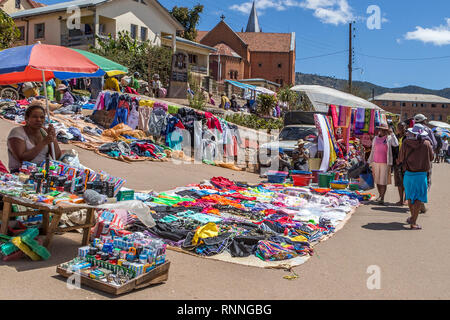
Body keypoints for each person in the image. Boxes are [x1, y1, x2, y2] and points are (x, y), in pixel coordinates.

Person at [398, 124, 434, 230]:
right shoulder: (427, 144)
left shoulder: (405, 143)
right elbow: (431, 158)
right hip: (421, 175)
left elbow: (400, 158)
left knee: (410, 196)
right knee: (418, 199)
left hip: (408, 174)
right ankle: (413, 221)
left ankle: (412, 218)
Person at [7, 105, 62, 173]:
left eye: (42, 117)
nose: (39, 120)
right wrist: (43, 142)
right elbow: (22, 159)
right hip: (21, 172)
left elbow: (56, 156)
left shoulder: (44, 132)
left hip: (42, 171)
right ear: (27, 118)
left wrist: (53, 138)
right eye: (34, 117)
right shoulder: (17, 132)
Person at [368, 123, 399, 205]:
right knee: (377, 180)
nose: (382, 131)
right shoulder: (375, 138)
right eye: (381, 129)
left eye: (384, 130)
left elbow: (396, 144)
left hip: (385, 163)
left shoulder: (389, 138)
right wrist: (369, 161)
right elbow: (373, 150)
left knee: (383, 181)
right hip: (375, 162)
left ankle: (382, 197)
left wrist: (392, 133)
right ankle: (380, 195)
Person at [413, 114, 435, 213]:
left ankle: (414, 200)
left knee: (414, 180)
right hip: (426, 159)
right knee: (427, 180)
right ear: (423, 121)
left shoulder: (411, 130)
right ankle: (421, 199)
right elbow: (434, 144)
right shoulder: (428, 130)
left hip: (412, 160)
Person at [393, 122, 407, 206]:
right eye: (399, 127)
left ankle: (405, 199)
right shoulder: (395, 137)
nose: (401, 128)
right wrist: (396, 159)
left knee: (406, 182)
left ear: (405, 127)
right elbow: (393, 148)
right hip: (397, 162)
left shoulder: (408, 137)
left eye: (402, 127)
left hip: (405, 163)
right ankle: (400, 199)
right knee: (399, 182)